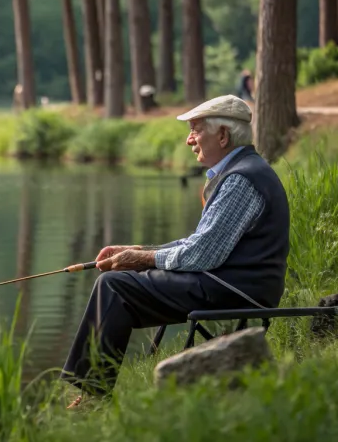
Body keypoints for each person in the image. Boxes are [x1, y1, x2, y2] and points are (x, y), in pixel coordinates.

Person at [60, 94, 289, 408]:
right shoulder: (242, 171)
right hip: (226, 282)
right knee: (118, 287)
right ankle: (92, 393)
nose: (188, 140)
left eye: (196, 130)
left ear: (223, 136)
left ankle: (92, 398)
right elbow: (200, 245)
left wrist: (141, 259)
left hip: (233, 289)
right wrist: (138, 251)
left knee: (114, 286)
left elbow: (203, 255)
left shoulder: (241, 179)